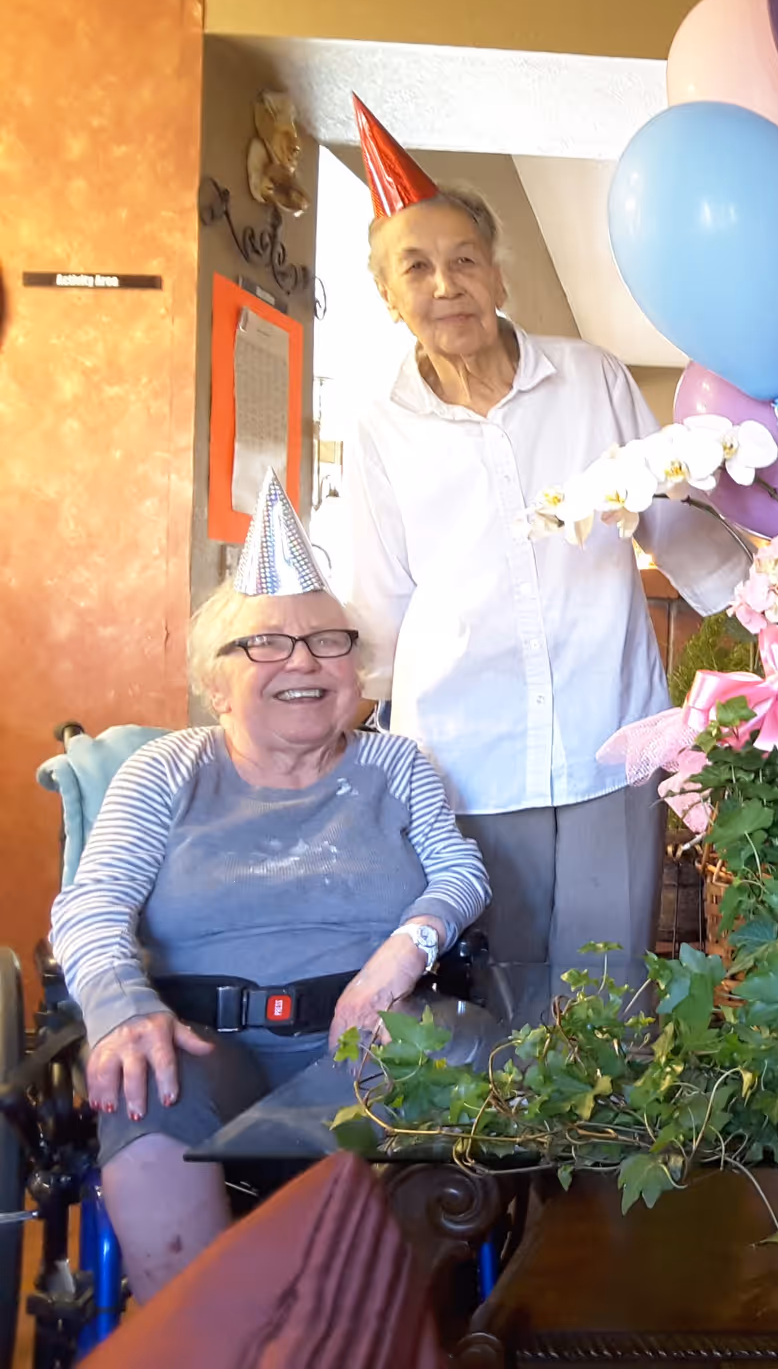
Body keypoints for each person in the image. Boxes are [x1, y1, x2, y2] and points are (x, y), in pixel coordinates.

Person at [47, 472, 489, 1302]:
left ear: (356, 669)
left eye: (329, 642)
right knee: (146, 1090)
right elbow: (94, 902)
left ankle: (381, 1339)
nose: (303, 661)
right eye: (266, 644)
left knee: (465, 1062)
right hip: (207, 1042)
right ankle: (208, 1342)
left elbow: (458, 871)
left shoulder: (396, 764)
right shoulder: (166, 771)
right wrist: (122, 1008)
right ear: (215, 682)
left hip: (370, 1040)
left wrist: (402, 952)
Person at [340, 96, 745, 970]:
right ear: (387, 295)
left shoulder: (592, 379)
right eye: (416, 268)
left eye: (464, 260)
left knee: (613, 1000)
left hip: (607, 739)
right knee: (487, 1012)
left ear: (498, 275)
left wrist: (775, 608)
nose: (444, 285)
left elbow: (672, 521)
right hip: (463, 762)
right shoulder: (380, 428)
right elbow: (378, 597)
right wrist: (332, 729)